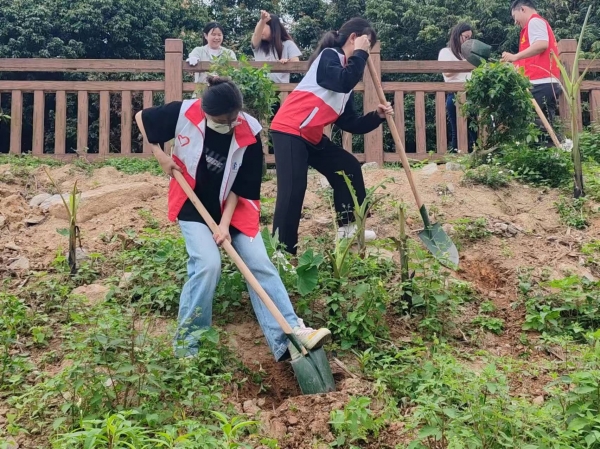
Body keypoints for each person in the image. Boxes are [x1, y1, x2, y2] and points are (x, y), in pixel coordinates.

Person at [134, 76, 331, 361]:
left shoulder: (249, 130)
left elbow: (243, 186)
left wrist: (225, 225)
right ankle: (188, 346)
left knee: (259, 263)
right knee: (207, 264)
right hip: (193, 205)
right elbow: (141, 118)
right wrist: (159, 154)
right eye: (220, 121)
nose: (228, 125)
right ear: (205, 111)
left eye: (232, 119)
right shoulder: (184, 112)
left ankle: (289, 335)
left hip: (234, 208)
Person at [269, 18, 394, 255]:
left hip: (311, 136)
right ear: (354, 38)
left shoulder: (346, 80)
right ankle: (282, 252)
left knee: (348, 167)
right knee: (293, 190)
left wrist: (377, 116)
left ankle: (348, 227)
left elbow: (350, 123)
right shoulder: (329, 56)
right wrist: (360, 54)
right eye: (367, 44)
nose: (367, 51)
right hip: (289, 130)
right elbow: (343, 81)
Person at [501, 0, 562, 137]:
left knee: (537, 127)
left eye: (514, 17)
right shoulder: (531, 27)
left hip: (541, 82)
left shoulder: (534, 21)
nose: (515, 22)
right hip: (541, 82)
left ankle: (560, 147)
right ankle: (559, 147)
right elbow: (529, 59)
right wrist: (512, 65)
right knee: (541, 128)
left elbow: (541, 44)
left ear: (523, 9)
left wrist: (515, 56)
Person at [438, 23, 477, 152]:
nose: (468, 40)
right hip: (455, 94)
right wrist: (465, 64)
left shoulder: (467, 54)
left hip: (471, 94)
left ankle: (476, 154)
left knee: (474, 128)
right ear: (457, 35)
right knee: (457, 129)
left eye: (470, 38)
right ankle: (456, 154)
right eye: (466, 37)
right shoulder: (446, 52)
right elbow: (447, 72)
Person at [251, 10, 302, 84]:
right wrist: (262, 21)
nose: (260, 30)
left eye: (263, 27)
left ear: (273, 28)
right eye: (259, 27)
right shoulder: (258, 46)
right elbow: (256, 35)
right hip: (261, 88)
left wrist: (287, 62)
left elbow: (296, 63)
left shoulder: (288, 44)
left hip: (282, 88)